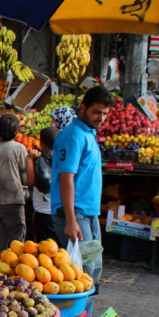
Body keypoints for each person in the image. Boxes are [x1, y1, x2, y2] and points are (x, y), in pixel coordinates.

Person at [50, 86, 112, 286]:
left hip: (88, 213)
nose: (100, 117)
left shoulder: (89, 133)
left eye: (104, 113)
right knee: (82, 274)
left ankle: (88, 316)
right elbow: (66, 178)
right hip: (75, 214)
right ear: (83, 108)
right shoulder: (73, 135)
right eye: (96, 112)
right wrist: (71, 220)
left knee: (93, 269)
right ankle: (80, 316)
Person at [0, 114, 28, 252]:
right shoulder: (19, 148)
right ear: (16, 131)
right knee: (16, 239)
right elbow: (25, 174)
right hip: (14, 199)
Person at [26, 127, 60, 243]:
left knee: (43, 248)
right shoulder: (64, 159)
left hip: (42, 212)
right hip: (60, 212)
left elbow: (30, 181)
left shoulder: (38, 160)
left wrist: (29, 159)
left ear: (42, 144)